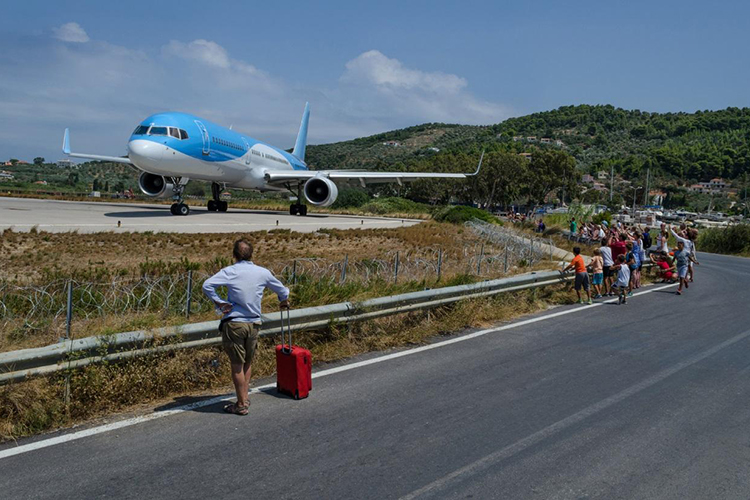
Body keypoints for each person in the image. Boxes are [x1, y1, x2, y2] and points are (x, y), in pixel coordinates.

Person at [203, 239, 290, 415]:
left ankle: (241, 405)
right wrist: (283, 301)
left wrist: (220, 303)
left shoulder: (230, 271)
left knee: (236, 365)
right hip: (254, 324)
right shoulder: (262, 272)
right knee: (247, 363)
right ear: (252, 254)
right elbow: (283, 291)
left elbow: (207, 285)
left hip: (235, 323)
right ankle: (244, 397)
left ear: (234, 255)